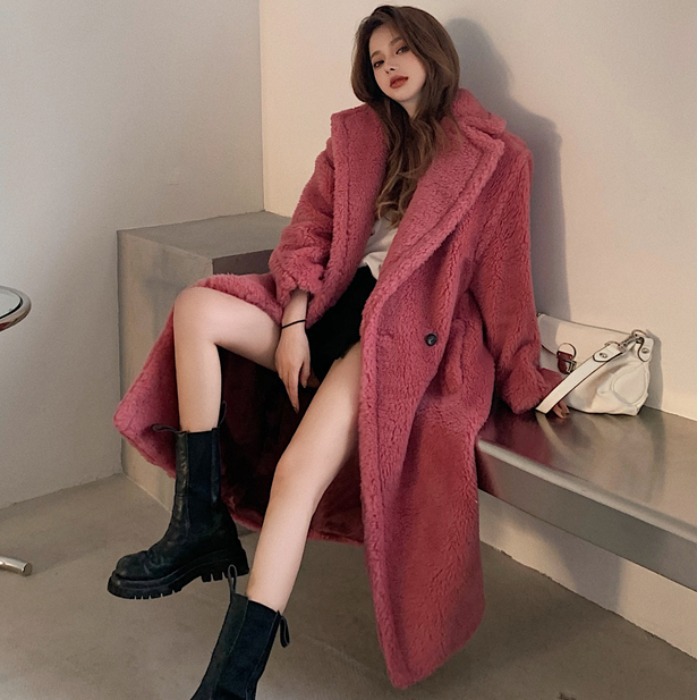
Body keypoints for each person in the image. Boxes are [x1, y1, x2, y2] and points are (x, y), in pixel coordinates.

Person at [109, 4, 568, 697]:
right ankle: (199, 521)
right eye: (378, 59)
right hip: (326, 307)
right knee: (197, 308)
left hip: (397, 335)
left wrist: (526, 378)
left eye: (402, 49)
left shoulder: (497, 159)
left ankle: (230, 684)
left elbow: (505, 283)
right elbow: (308, 231)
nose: (390, 67)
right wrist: (293, 319)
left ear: (433, 52)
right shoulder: (356, 138)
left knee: (297, 475)